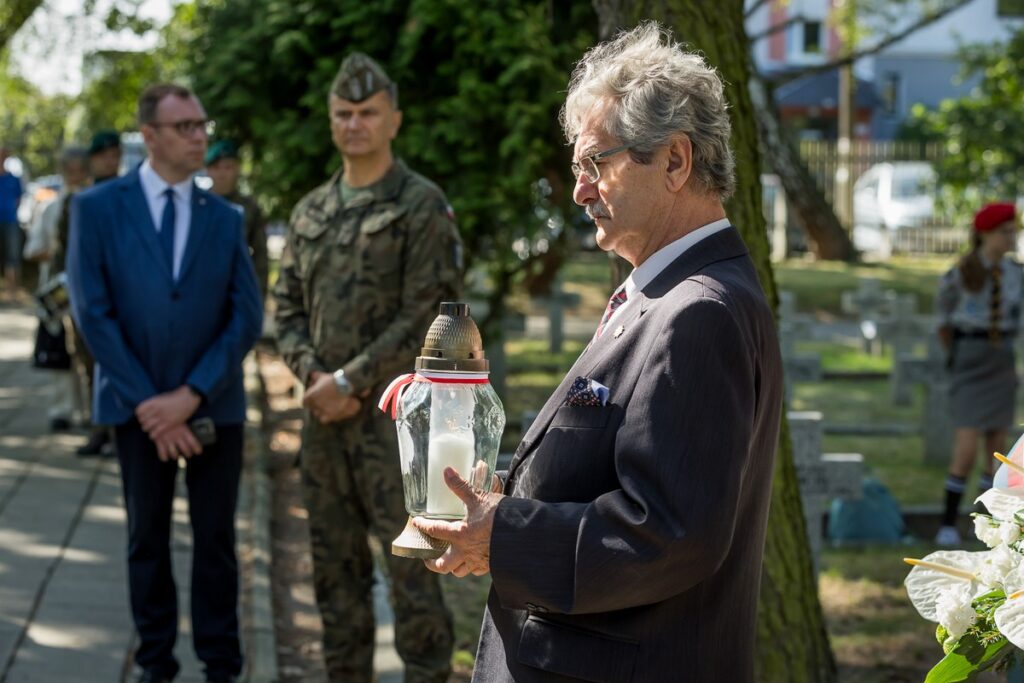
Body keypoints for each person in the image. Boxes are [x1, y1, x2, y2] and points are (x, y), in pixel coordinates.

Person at [412, 23, 784, 682]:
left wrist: (506, 533)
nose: (580, 189)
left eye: (597, 164)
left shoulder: (699, 310)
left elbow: (669, 530)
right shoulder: (662, 290)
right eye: (578, 167)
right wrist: (492, 515)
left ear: (675, 161)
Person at [273, 52, 461, 682]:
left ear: (393, 121)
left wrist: (350, 380)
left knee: (414, 575)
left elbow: (426, 316)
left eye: (367, 113)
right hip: (324, 427)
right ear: (331, 122)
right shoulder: (310, 213)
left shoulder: (419, 205)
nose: (354, 124)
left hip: (398, 430)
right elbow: (286, 308)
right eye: (343, 114)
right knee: (334, 574)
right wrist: (315, 379)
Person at [67, 83, 263, 683]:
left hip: (214, 407)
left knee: (216, 542)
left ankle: (221, 663)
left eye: (202, 124)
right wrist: (154, 405)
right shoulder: (97, 208)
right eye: (185, 127)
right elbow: (91, 312)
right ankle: (155, 661)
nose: (199, 135)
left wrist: (190, 396)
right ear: (149, 136)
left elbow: (245, 316)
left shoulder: (225, 218)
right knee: (144, 539)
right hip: (136, 409)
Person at [934, 202, 1022, 546]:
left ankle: (987, 526)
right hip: (970, 359)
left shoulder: (1016, 273)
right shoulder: (961, 272)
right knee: (966, 450)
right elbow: (942, 321)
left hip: (1001, 360)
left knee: (997, 449)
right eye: (1005, 232)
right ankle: (947, 522)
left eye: (1013, 231)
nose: (1012, 237)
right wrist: (958, 356)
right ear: (985, 234)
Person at [23, 146, 90, 432]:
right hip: (58, 289)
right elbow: (32, 249)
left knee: (88, 351)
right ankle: (61, 409)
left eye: (79, 170)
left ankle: (89, 411)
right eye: (69, 170)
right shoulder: (52, 207)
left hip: (87, 289)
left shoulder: (93, 204)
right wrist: (55, 253)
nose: (74, 176)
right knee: (59, 350)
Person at [205, 139, 269, 300]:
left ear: (237, 168)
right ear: (208, 171)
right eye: (216, 167)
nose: (222, 173)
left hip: (238, 289)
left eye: (228, 167)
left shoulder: (250, 207)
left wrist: (258, 295)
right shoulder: (197, 206)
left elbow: (260, 254)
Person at [0, 146, 23, 299]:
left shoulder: (13, 178)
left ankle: (12, 292)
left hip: (10, 220)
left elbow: (18, 199)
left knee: (12, 256)